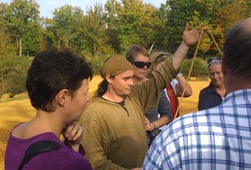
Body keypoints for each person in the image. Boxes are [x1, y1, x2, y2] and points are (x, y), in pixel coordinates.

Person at [81, 23, 207, 169]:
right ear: (109, 78)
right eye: (126, 79)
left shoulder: (134, 96)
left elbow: (163, 74)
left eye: (131, 77)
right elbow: (93, 161)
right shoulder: (94, 113)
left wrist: (185, 45)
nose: (131, 82)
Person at [143, 17, 251, 170]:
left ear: (224, 67)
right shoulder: (151, 88)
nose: (215, 77)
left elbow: (184, 93)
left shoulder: (179, 136)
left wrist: (178, 73)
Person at [4, 50, 93, 170]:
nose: (87, 99)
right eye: (85, 93)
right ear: (63, 97)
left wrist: (73, 146)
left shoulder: (16, 133)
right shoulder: (69, 162)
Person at [126, 45, 172, 147]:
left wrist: (152, 125)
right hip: (127, 141)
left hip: (152, 142)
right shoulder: (121, 87)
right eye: (140, 64)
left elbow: (167, 114)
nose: (145, 67)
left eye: (148, 64)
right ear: (129, 64)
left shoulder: (155, 86)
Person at [152, 53, 192, 120]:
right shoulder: (149, 82)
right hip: (157, 124)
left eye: (168, 68)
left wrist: (177, 73)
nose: (165, 70)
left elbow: (187, 92)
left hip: (171, 123)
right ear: (154, 66)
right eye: (162, 67)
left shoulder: (171, 83)